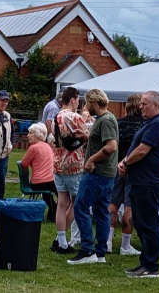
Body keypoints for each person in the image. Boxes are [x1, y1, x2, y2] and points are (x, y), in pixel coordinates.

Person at [117, 90, 159, 279]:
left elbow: (142, 150)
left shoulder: (158, 124)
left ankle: (152, 266)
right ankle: (145, 263)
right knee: (139, 222)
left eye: (144, 103)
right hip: (140, 180)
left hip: (149, 181)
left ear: (156, 105)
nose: (140, 106)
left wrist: (125, 162)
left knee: (148, 223)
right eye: (140, 103)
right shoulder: (150, 123)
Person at [68, 89, 118, 265]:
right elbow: (103, 140)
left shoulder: (106, 121)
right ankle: (100, 252)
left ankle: (87, 250)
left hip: (98, 173)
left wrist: (91, 159)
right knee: (101, 211)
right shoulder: (106, 119)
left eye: (87, 103)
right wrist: (86, 136)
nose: (86, 106)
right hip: (106, 174)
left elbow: (111, 146)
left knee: (80, 207)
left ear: (95, 103)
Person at [50, 87, 87, 255]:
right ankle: (61, 241)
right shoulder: (74, 117)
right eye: (78, 100)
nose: (78, 104)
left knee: (61, 202)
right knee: (75, 201)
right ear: (73, 99)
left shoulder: (55, 117)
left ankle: (61, 240)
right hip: (74, 164)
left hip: (58, 163)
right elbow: (87, 135)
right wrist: (85, 118)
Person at [108, 93, 143, 256]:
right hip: (135, 168)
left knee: (113, 202)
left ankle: (107, 241)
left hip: (116, 167)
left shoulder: (117, 123)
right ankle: (125, 245)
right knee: (129, 205)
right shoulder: (145, 124)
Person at [20, 122, 57, 219]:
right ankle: (57, 210)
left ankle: (54, 210)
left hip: (37, 182)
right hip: (51, 181)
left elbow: (23, 164)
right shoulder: (48, 146)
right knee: (60, 193)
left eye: (30, 133)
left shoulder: (33, 148)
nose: (28, 136)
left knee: (47, 193)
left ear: (37, 134)